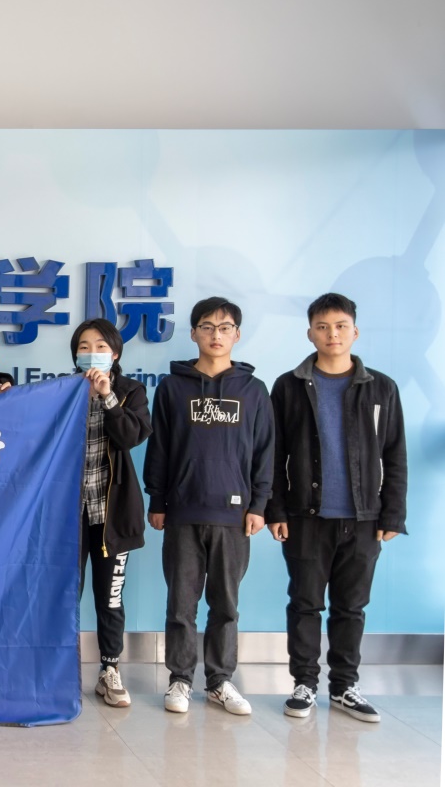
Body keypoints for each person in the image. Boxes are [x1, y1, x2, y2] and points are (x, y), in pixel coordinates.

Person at [266, 293, 407, 722]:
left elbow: (395, 454)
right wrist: (275, 510)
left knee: (351, 607)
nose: (332, 334)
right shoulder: (288, 386)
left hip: (364, 518)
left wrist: (392, 513)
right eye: (323, 327)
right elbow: (272, 454)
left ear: (355, 331)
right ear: (310, 333)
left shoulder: (381, 387)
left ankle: (345, 687)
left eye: (341, 326)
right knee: (305, 604)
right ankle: (305, 684)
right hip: (305, 517)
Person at [144, 297, 273, 716]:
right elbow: (160, 448)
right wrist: (157, 498)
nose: (216, 335)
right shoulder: (172, 387)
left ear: (237, 334)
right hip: (183, 511)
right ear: (193, 333)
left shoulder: (253, 391)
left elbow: (265, 452)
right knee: (181, 604)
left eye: (224, 327)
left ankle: (219, 681)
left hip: (234, 516)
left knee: (226, 605)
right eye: (207, 327)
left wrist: (259, 504)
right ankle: (180, 679)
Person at [68, 318, 151, 708]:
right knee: (65, 595)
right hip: (65, 515)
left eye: (100, 346)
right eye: (84, 346)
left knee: (110, 597)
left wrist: (107, 397)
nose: (92, 352)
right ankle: (60, 668)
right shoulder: (63, 389)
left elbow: (132, 436)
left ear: (114, 353)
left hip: (111, 513)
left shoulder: (131, 391)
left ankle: (109, 669)